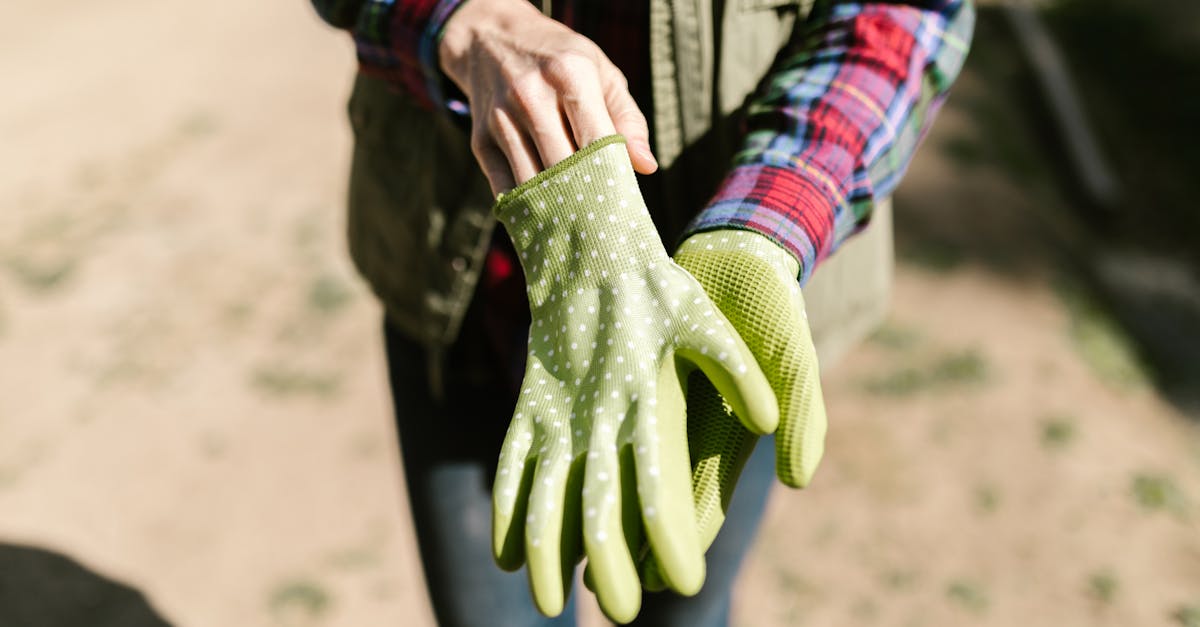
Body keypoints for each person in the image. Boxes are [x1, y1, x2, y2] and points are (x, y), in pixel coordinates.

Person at [309, 1, 974, 625]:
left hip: (719, 331)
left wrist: (767, 222)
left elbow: (906, 13)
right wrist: (468, 23)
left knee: (686, 603)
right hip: (467, 283)